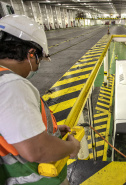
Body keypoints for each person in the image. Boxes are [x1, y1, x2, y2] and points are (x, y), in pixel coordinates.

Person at [0, 15, 80, 185]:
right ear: (31, 54)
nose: (37, 66)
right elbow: (37, 149)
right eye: (39, 60)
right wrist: (72, 148)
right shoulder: (11, 85)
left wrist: (52, 132)